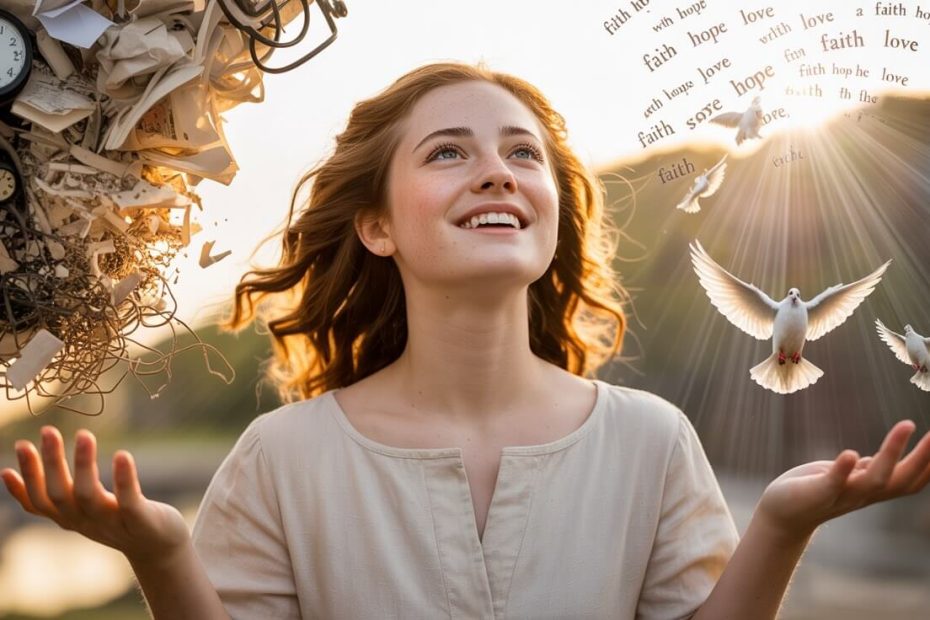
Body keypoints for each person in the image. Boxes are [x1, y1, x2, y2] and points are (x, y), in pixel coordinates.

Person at [3, 62, 930, 620]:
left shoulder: (651, 441)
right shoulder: (282, 458)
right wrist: (163, 555)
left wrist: (780, 522)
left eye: (522, 153)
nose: (496, 171)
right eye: (449, 151)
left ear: (553, 216)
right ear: (377, 225)